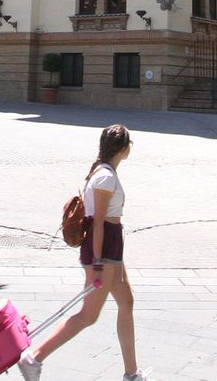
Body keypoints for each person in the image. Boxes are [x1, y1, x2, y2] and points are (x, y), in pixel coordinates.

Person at [17, 124, 152, 381]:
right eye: (129, 144)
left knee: (127, 302)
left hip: (111, 248)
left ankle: (132, 374)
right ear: (123, 148)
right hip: (103, 249)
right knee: (88, 315)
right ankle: (34, 358)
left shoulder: (103, 172)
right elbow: (99, 221)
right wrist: (98, 262)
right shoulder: (105, 177)